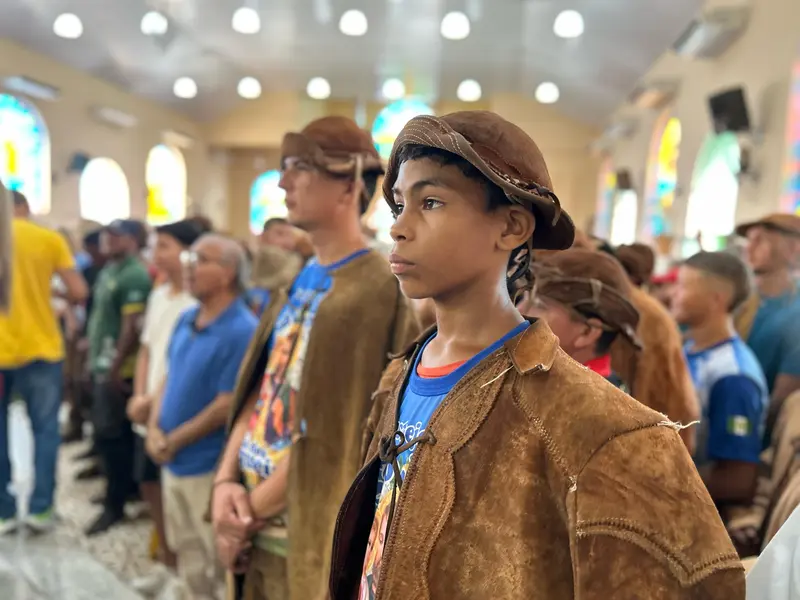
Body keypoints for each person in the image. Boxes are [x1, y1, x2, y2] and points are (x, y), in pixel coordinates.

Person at [327, 111, 745, 599]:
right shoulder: (400, 375)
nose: (399, 227)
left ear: (511, 226)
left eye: (432, 202)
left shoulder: (602, 430)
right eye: (400, 204)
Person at [211, 116, 419, 600]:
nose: (283, 182)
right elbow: (262, 388)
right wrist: (224, 482)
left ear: (349, 184)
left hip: (300, 527)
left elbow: (342, 431)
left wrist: (246, 512)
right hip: (250, 509)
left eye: (300, 167)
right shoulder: (300, 275)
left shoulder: (374, 292)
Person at [146, 233, 257, 599]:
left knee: (216, 561)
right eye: (189, 259)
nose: (189, 268)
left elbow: (225, 405)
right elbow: (168, 376)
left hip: (206, 465)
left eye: (200, 260)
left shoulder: (242, 330)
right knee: (186, 550)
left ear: (228, 272)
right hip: (172, 459)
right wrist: (153, 429)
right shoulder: (187, 318)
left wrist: (173, 440)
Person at [0, 190, 88, 534]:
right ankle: (41, 508)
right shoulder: (47, 239)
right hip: (40, 348)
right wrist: (47, 291)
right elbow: (79, 291)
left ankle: (4, 511)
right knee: (45, 430)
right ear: (22, 207)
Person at [126, 220, 204, 585]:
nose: (156, 255)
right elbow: (146, 349)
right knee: (150, 486)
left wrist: (153, 401)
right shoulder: (159, 294)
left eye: (165, 246)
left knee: (179, 496)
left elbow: (179, 363)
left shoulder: (195, 300)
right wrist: (138, 395)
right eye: (155, 246)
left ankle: (183, 570)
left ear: (188, 251)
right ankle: (167, 563)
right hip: (148, 408)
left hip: (170, 409)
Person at [672, 251, 767, 520]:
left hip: (692, 516)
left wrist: (655, 483)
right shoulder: (690, 347)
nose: (673, 295)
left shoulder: (734, 376)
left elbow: (737, 479)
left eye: (683, 286)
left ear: (716, 299)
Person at [85, 219, 153, 535]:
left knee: (113, 436)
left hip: (119, 368)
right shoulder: (110, 270)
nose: (107, 241)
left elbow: (130, 326)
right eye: (106, 236)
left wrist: (114, 367)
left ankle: (116, 503)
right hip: (102, 361)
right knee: (108, 433)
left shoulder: (134, 274)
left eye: (115, 236)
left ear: (132, 239)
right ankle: (118, 489)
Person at [519, 248, 641, 390]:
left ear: (587, 332)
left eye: (540, 305)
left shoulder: (582, 399)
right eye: (524, 298)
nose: (519, 310)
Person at [734, 214, 800, 442]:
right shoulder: (743, 303)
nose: (749, 248)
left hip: (753, 435)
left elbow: (781, 402)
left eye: (760, 240)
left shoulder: (795, 311)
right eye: (748, 241)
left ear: (792, 248)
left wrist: (742, 438)